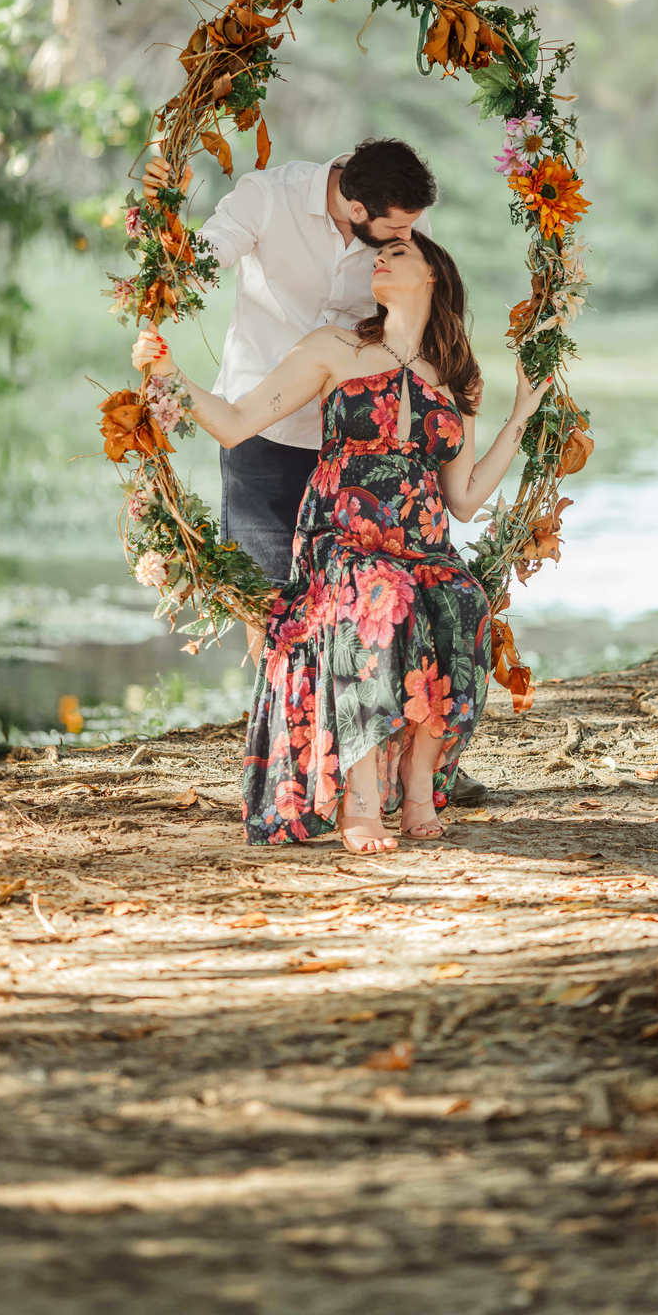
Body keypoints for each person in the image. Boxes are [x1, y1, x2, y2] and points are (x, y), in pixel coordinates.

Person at [132, 233, 550, 854]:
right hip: (342, 544)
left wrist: (522, 411)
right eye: (378, 253)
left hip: (423, 543)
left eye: (400, 252)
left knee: (463, 602)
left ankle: (416, 786)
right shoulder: (335, 349)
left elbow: (462, 497)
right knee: (382, 600)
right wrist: (171, 376)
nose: (381, 257)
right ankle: (358, 800)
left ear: (434, 275)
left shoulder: (456, 378)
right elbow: (238, 420)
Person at [142, 138, 435, 628]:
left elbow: (419, 311)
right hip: (259, 425)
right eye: (398, 228)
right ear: (356, 207)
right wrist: (168, 221)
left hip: (352, 439)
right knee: (267, 599)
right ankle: (270, 705)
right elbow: (203, 262)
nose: (408, 233)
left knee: (351, 604)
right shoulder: (269, 197)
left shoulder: (401, 218)